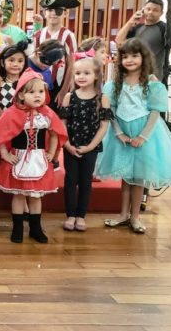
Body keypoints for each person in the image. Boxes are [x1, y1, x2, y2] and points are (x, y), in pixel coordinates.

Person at [95, 38, 171, 234]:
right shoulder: (115, 84)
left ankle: (135, 217)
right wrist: (118, 132)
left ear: (144, 58)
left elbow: (154, 112)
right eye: (125, 56)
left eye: (134, 56)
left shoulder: (151, 84)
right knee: (126, 176)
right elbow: (112, 110)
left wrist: (143, 136)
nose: (129, 60)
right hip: (122, 133)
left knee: (140, 177)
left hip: (145, 134)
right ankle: (122, 214)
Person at [0, 70, 67, 243]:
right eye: (32, 92)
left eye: (41, 92)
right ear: (21, 94)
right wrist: (5, 154)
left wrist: (52, 154)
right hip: (19, 158)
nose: (38, 96)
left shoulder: (47, 114)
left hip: (39, 159)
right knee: (19, 195)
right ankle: (17, 228)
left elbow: (55, 134)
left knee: (36, 196)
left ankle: (35, 229)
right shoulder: (11, 113)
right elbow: (1, 134)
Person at [58, 56, 112, 232]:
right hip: (71, 146)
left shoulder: (102, 98)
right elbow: (62, 124)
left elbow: (104, 126)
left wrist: (90, 147)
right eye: (78, 73)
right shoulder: (69, 97)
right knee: (70, 179)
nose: (81, 76)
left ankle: (81, 216)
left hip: (91, 146)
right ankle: (70, 215)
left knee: (85, 180)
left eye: (86, 73)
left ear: (96, 76)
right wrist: (67, 146)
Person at [0, 41, 28, 218]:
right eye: (11, 60)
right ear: (3, 62)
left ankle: (22, 205)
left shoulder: (27, 81)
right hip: (1, 125)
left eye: (20, 60)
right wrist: (8, 121)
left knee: (20, 163)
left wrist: (18, 124)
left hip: (21, 128)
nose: (15, 64)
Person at [115, 0, 171, 87]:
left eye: (155, 10)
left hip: (153, 78)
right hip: (133, 77)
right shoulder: (137, 28)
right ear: (143, 10)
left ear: (161, 13)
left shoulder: (166, 29)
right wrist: (130, 21)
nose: (150, 12)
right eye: (148, 9)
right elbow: (119, 41)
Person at [31, 0, 80, 106]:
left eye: (58, 11)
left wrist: (64, 91)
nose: (53, 13)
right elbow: (34, 59)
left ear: (65, 13)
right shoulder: (39, 34)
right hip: (40, 83)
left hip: (59, 84)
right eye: (49, 10)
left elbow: (71, 64)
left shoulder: (68, 36)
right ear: (44, 12)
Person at [26, 39, 66, 111]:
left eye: (51, 64)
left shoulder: (46, 71)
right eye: (44, 62)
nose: (46, 66)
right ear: (38, 54)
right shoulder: (25, 65)